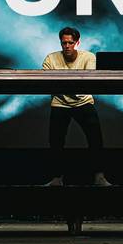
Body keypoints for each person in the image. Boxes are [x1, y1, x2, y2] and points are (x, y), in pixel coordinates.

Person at [41, 27, 111, 186]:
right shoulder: (51, 59)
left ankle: (99, 177)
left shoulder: (89, 57)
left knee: (96, 140)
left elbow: (88, 85)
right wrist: (72, 86)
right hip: (59, 103)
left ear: (77, 42)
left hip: (83, 102)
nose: (67, 46)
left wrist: (63, 86)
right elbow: (45, 83)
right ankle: (57, 178)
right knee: (55, 142)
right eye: (64, 43)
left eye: (70, 43)